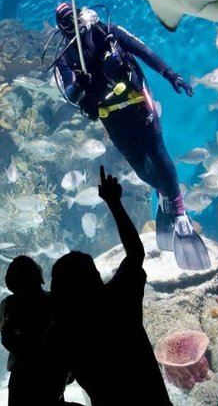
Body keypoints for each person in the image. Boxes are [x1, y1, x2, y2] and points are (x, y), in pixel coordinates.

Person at [52, 1, 210, 271]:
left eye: (74, 17)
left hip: (138, 102)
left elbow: (144, 51)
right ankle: (164, 192)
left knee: (158, 153)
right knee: (140, 167)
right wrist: (80, 85)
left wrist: (171, 75)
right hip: (111, 115)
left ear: (82, 14)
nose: (72, 24)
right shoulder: (65, 58)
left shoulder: (108, 32)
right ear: (61, 29)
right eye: (66, 22)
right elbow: (69, 94)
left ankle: (180, 213)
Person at [44, 166, 173, 406]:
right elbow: (136, 253)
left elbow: (49, 391)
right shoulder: (119, 298)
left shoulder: (62, 333)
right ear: (95, 276)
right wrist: (114, 203)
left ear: (58, 290)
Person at [0, 255, 78, 406]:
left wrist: (24, 351)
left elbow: (6, 338)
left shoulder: (9, 304)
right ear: (39, 276)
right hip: (52, 373)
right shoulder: (53, 301)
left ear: (11, 282)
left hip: (22, 374)